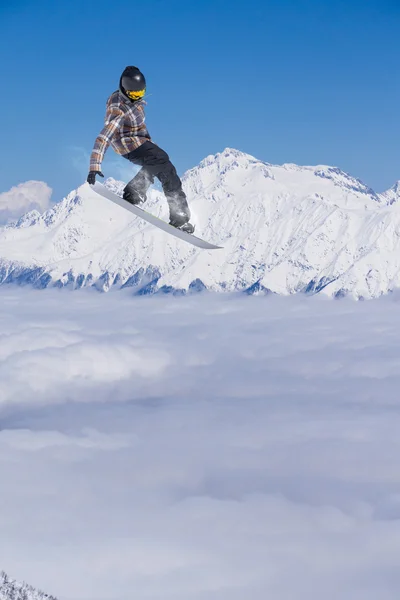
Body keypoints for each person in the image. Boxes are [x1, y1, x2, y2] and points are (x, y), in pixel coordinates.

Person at [87, 66, 194, 233]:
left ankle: (134, 191)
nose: (137, 98)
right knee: (163, 162)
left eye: (140, 94)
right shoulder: (119, 109)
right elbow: (104, 136)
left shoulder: (127, 98)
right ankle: (179, 217)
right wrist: (94, 166)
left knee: (160, 164)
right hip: (130, 145)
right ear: (124, 90)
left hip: (137, 142)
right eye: (134, 95)